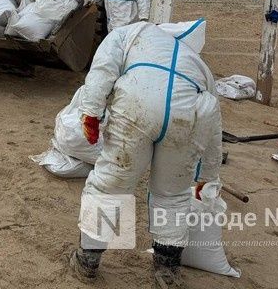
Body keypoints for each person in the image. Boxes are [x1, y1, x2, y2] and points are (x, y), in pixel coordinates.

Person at [69, 19, 222, 287]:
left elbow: (103, 69)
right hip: (189, 115)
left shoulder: (128, 34)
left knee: (111, 185)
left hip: (138, 104)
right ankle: (166, 273)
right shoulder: (198, 64)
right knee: (173, 196)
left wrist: (91, 113)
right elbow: (213, 122)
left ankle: (88, 263)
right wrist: (207, 174)